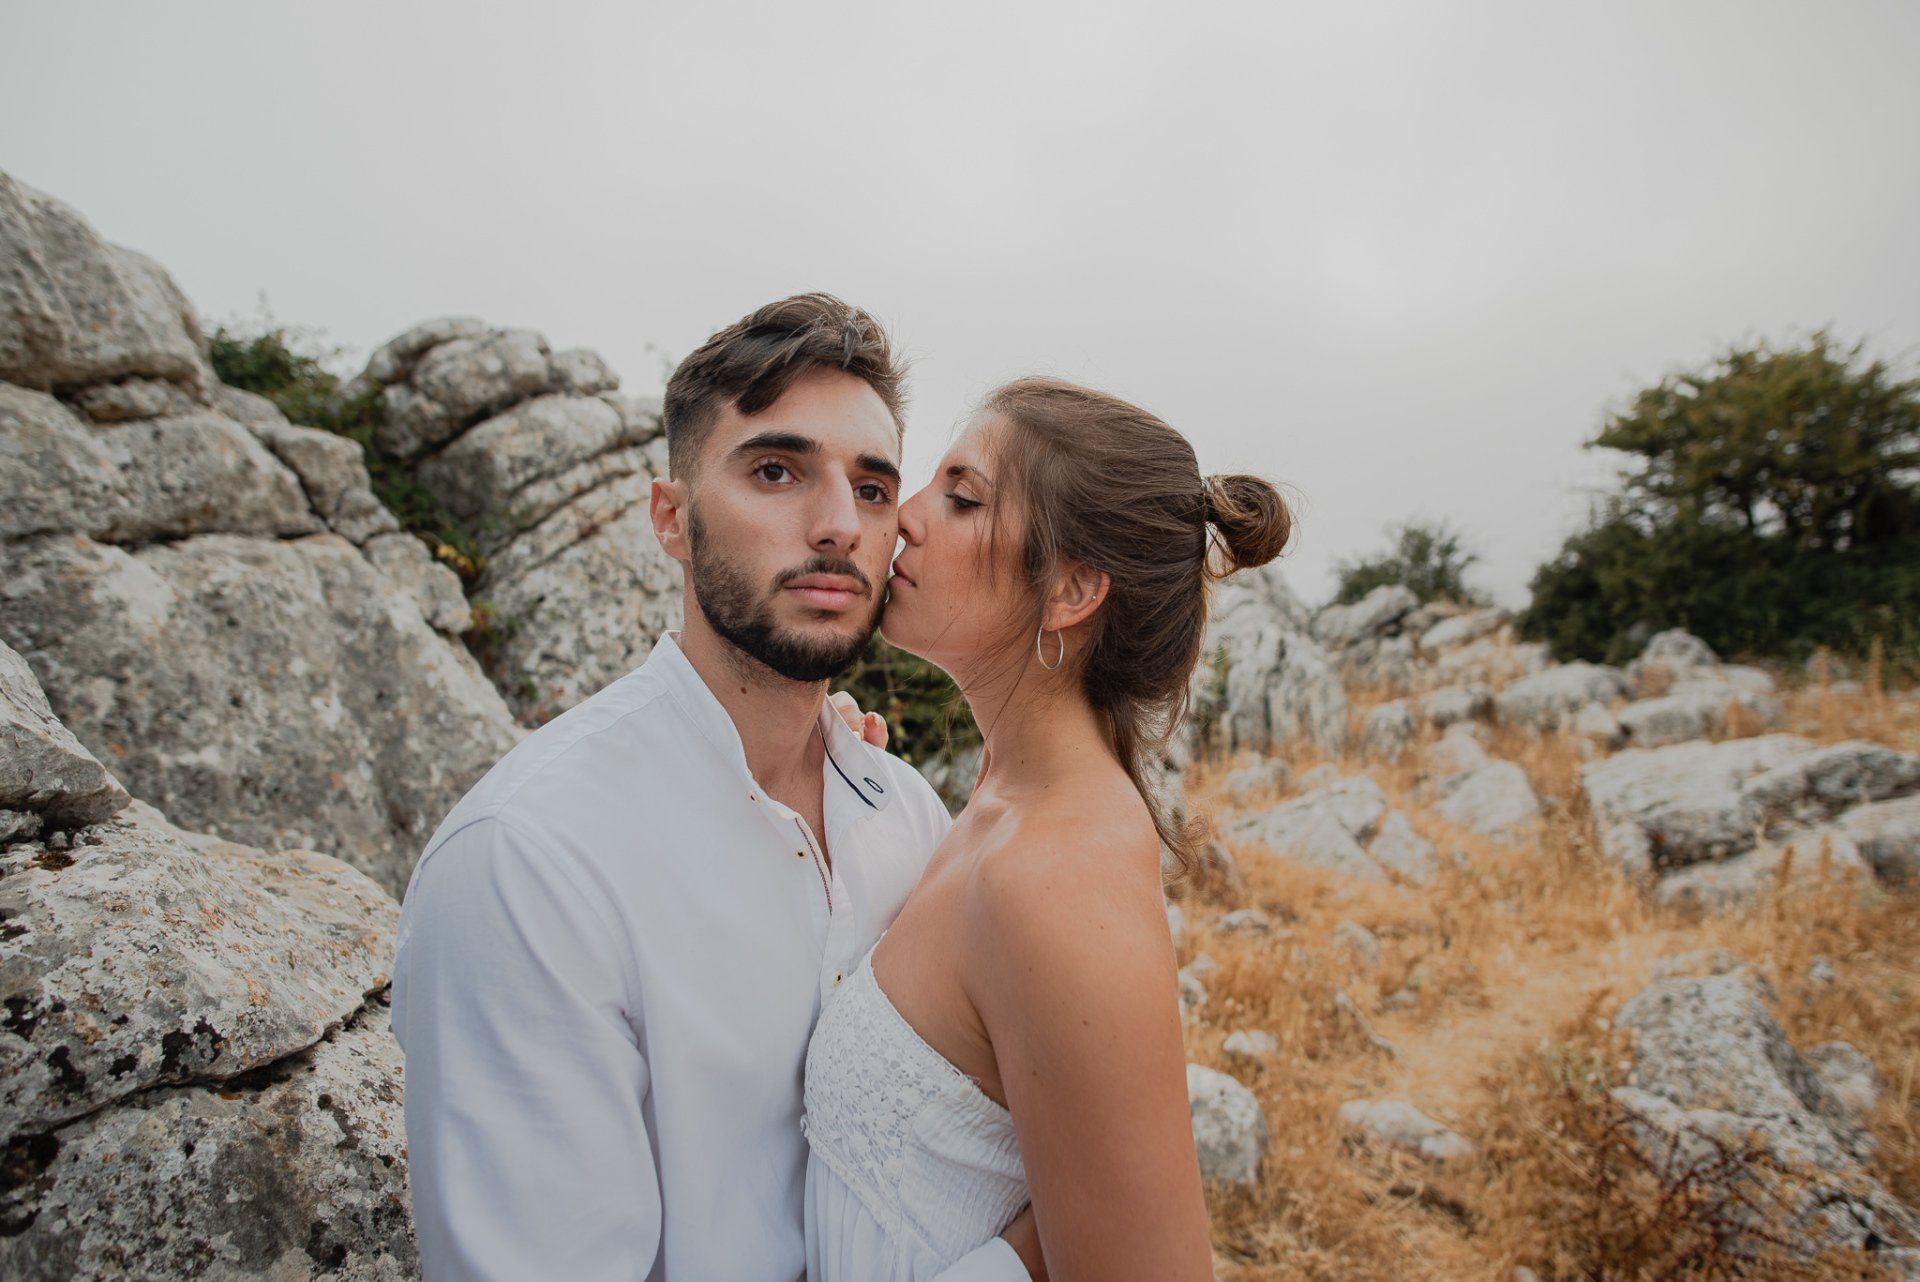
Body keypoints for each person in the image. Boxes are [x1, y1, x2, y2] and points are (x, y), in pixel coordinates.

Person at [390, 294, 1040, 1281]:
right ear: (672, 519)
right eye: (776, 471)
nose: (836, 527)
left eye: (872, 488)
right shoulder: (530, 861)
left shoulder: (905, 814)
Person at [801, 377, 1293, 1280]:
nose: (903, 517)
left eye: (962, 497)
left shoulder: (1057, 875)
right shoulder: (997, 803)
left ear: (1070, 589)